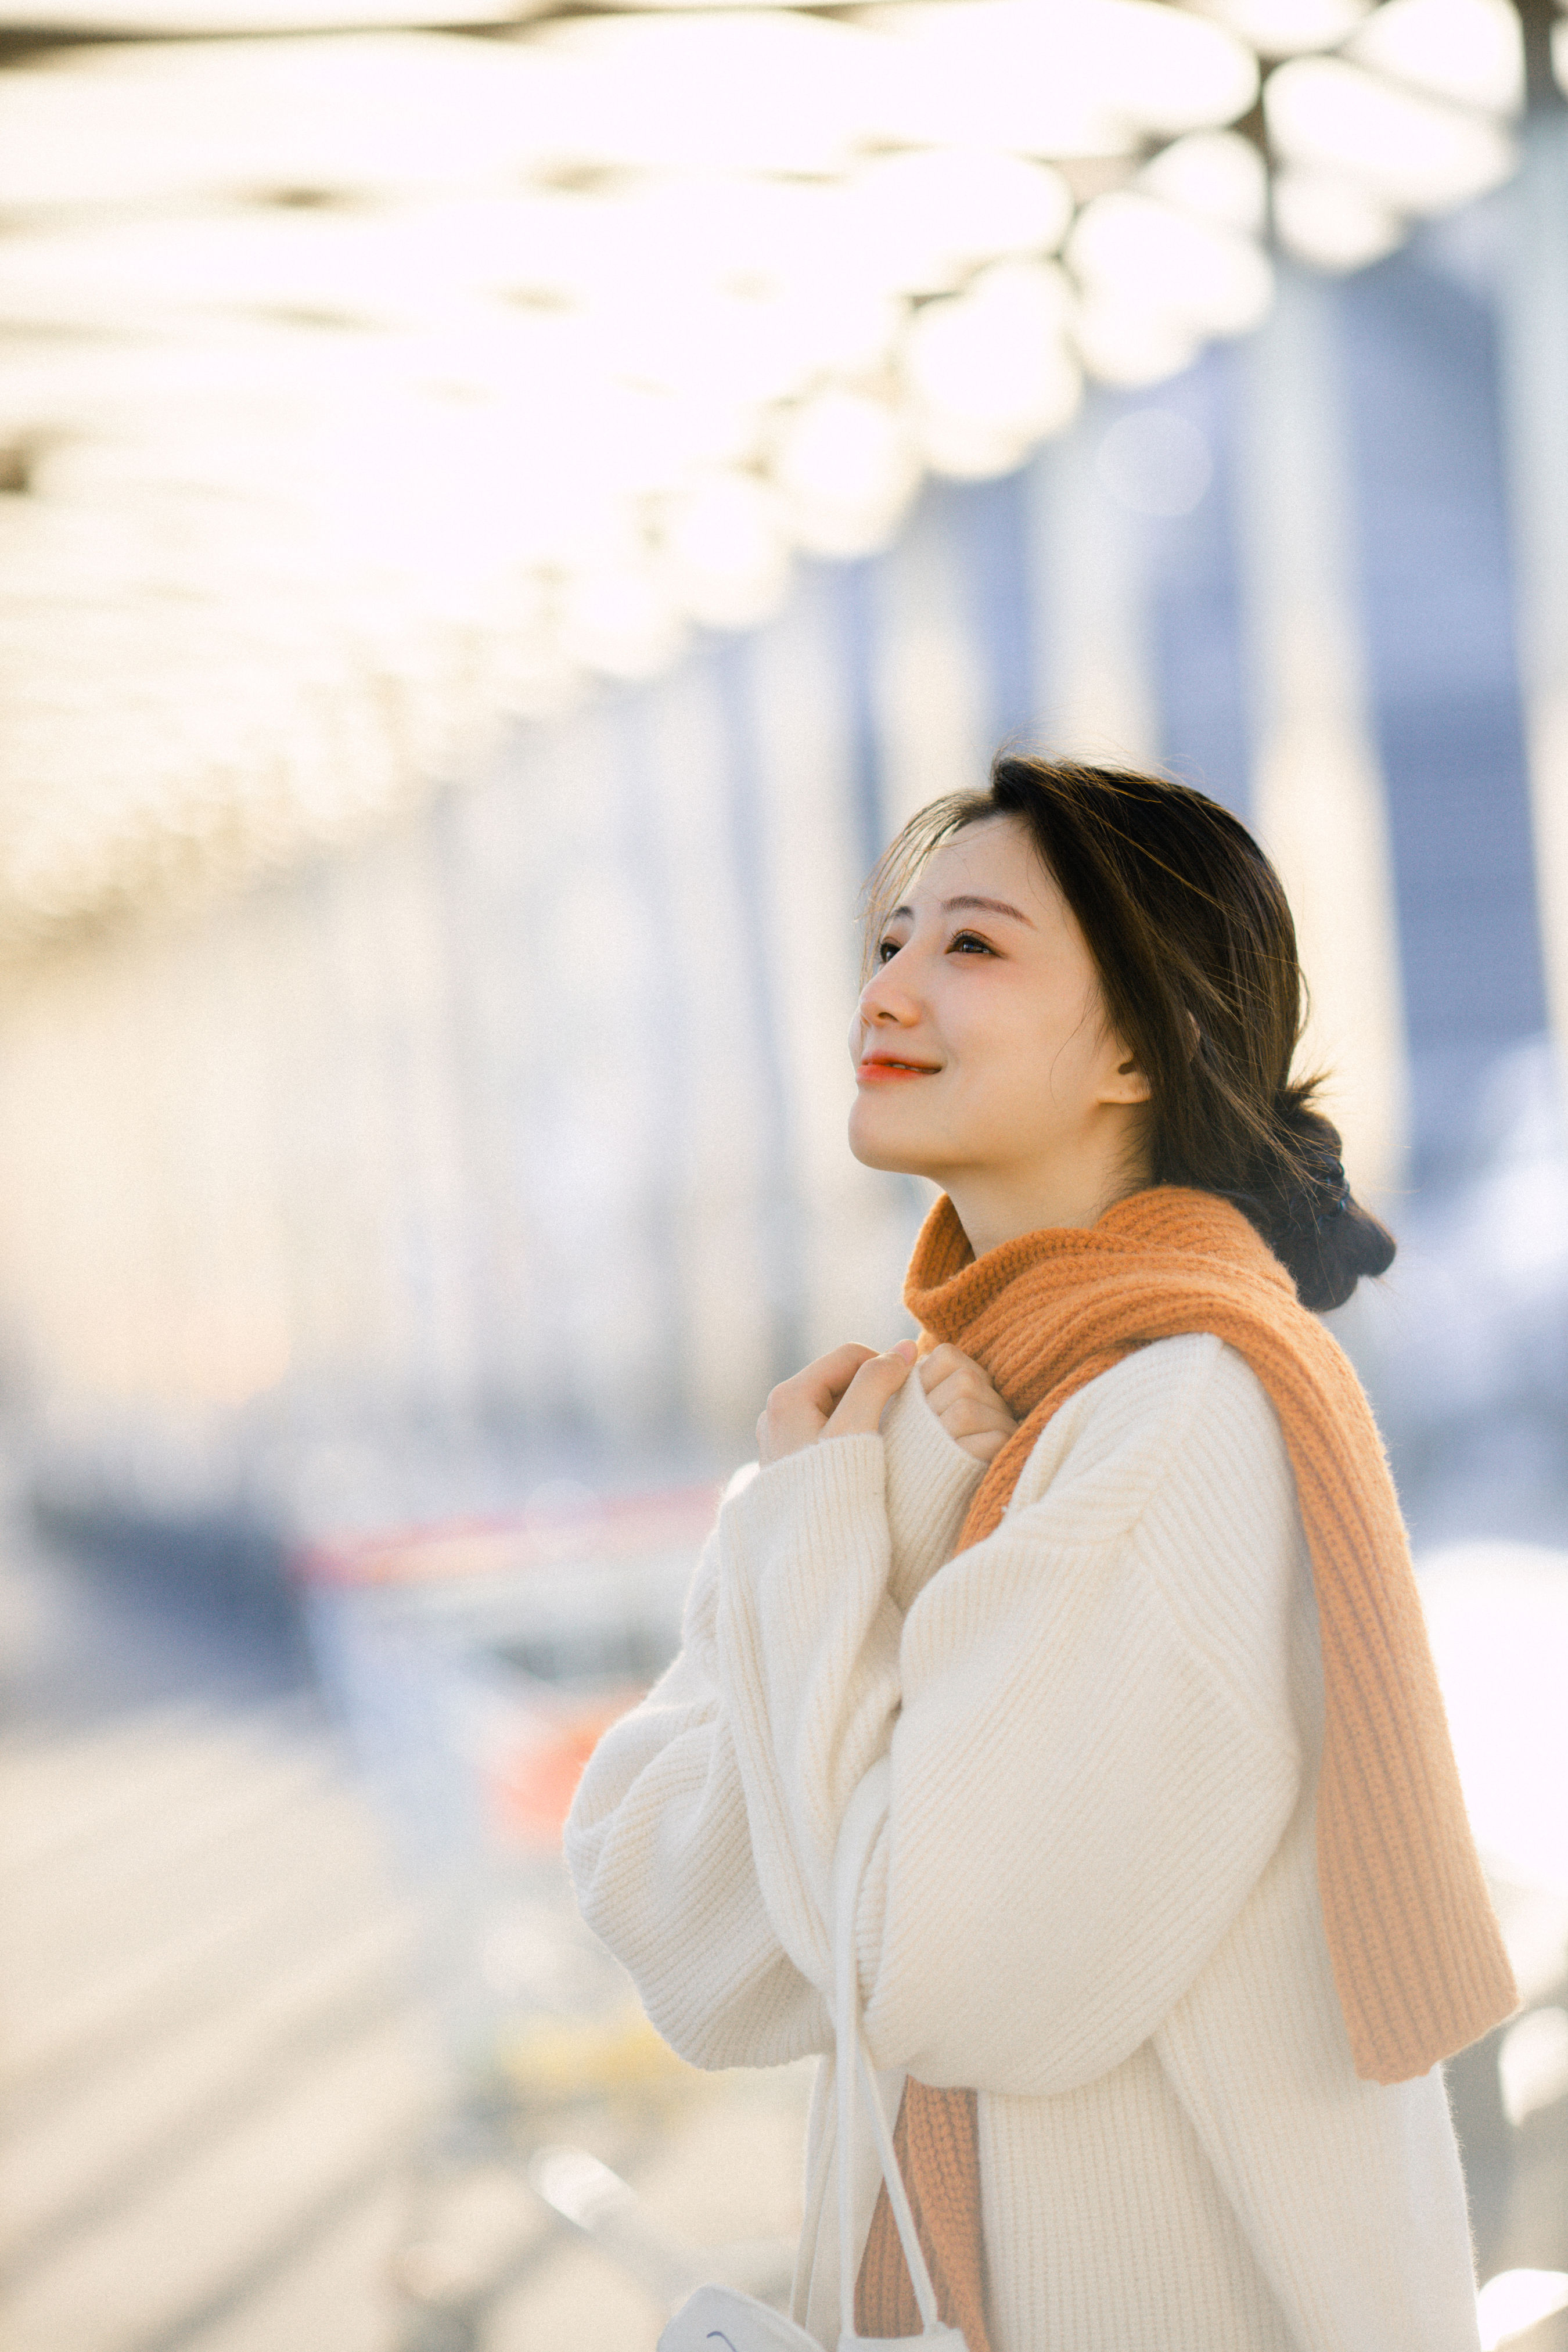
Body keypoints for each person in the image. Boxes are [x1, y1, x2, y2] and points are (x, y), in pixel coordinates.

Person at [566, 757, 1516, 2352]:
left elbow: (918, 1970)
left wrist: (812, 1528)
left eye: (973, 947)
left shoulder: (1176, 1427)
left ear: (1143, 1043)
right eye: (887, 939)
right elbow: (684, 1934)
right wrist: (865, 1505)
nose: (890, 983)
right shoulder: (955, 1429)